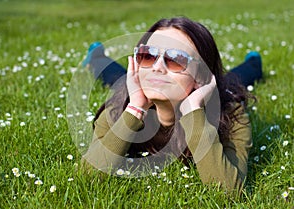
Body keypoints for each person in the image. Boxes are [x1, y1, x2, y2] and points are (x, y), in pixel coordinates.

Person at [82, 17, 262, 193]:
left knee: (234, 82)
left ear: (202, 76)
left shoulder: (229, 114)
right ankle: (97, 55)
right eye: (148, 55)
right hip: (131, 94)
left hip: (216, 92)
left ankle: (254, 62)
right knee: (113, 76)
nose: (157, 67)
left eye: (176, 59)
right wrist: (135, 109)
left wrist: (194, 111)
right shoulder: (121, 105)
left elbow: (228, 191)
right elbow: (87, 177)